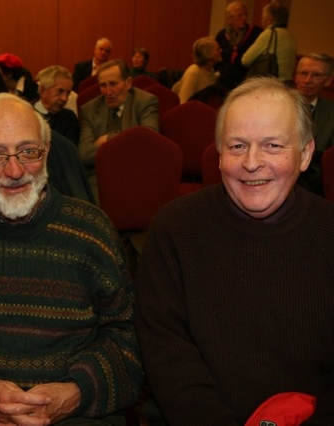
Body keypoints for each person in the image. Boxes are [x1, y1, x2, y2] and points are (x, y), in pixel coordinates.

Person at [0, 93, 143, 426]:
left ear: (46, 153)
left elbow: (128, 338)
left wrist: (75, 393)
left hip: (77, 416)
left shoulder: (93, 231)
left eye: (28, 151)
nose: (15, 170)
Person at [136, 77, 334, 425]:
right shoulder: (174, 229)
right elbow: (167, 354)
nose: (252, 162)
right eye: (237, 146)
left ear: (305, 155)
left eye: (273, 145)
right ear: (218, 154)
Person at [79, 59, 159, 200]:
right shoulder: (89, 110)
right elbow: (85, 153)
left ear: (128, 83)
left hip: (136, 170)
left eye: (113, 84)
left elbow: (149, 141)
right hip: (101, 174)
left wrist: (109, 139)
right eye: (103, 85)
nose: (108, 92)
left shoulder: (145, 102)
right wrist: (129, 141)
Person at [295, 52, 334, 195]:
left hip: (317, 183)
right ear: (295, 75)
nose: (307, 80)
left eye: (316, 75)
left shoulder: (331, 112)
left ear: (328, 80)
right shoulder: (275, 105)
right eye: (303, 73)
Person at [242, 0, 297, 84]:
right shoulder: (290, 36)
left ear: (269, 20)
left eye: (262, 18)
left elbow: (245, 60)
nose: (262, 21)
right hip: (287, 82)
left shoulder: (269, 34)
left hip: (271, 83)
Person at [215, 1, 263, 89]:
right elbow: (217, 60)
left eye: (245, 14)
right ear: (230, 19)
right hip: (224, 82)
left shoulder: (256, 32)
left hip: (246, 81)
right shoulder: (221, 35)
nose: (244, 18)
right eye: (239, 15)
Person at [33, 65, 80, 146]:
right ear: (43, 91)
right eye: (60, 91)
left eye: (68, 93)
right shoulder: (26, 113)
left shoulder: (69, 118)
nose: (64, 98)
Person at [172, 36, 222, 103]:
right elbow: (183, 101)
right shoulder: (194, 71)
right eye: (217, 49)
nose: (221, 50)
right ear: (208, 54)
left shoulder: (211, 71)